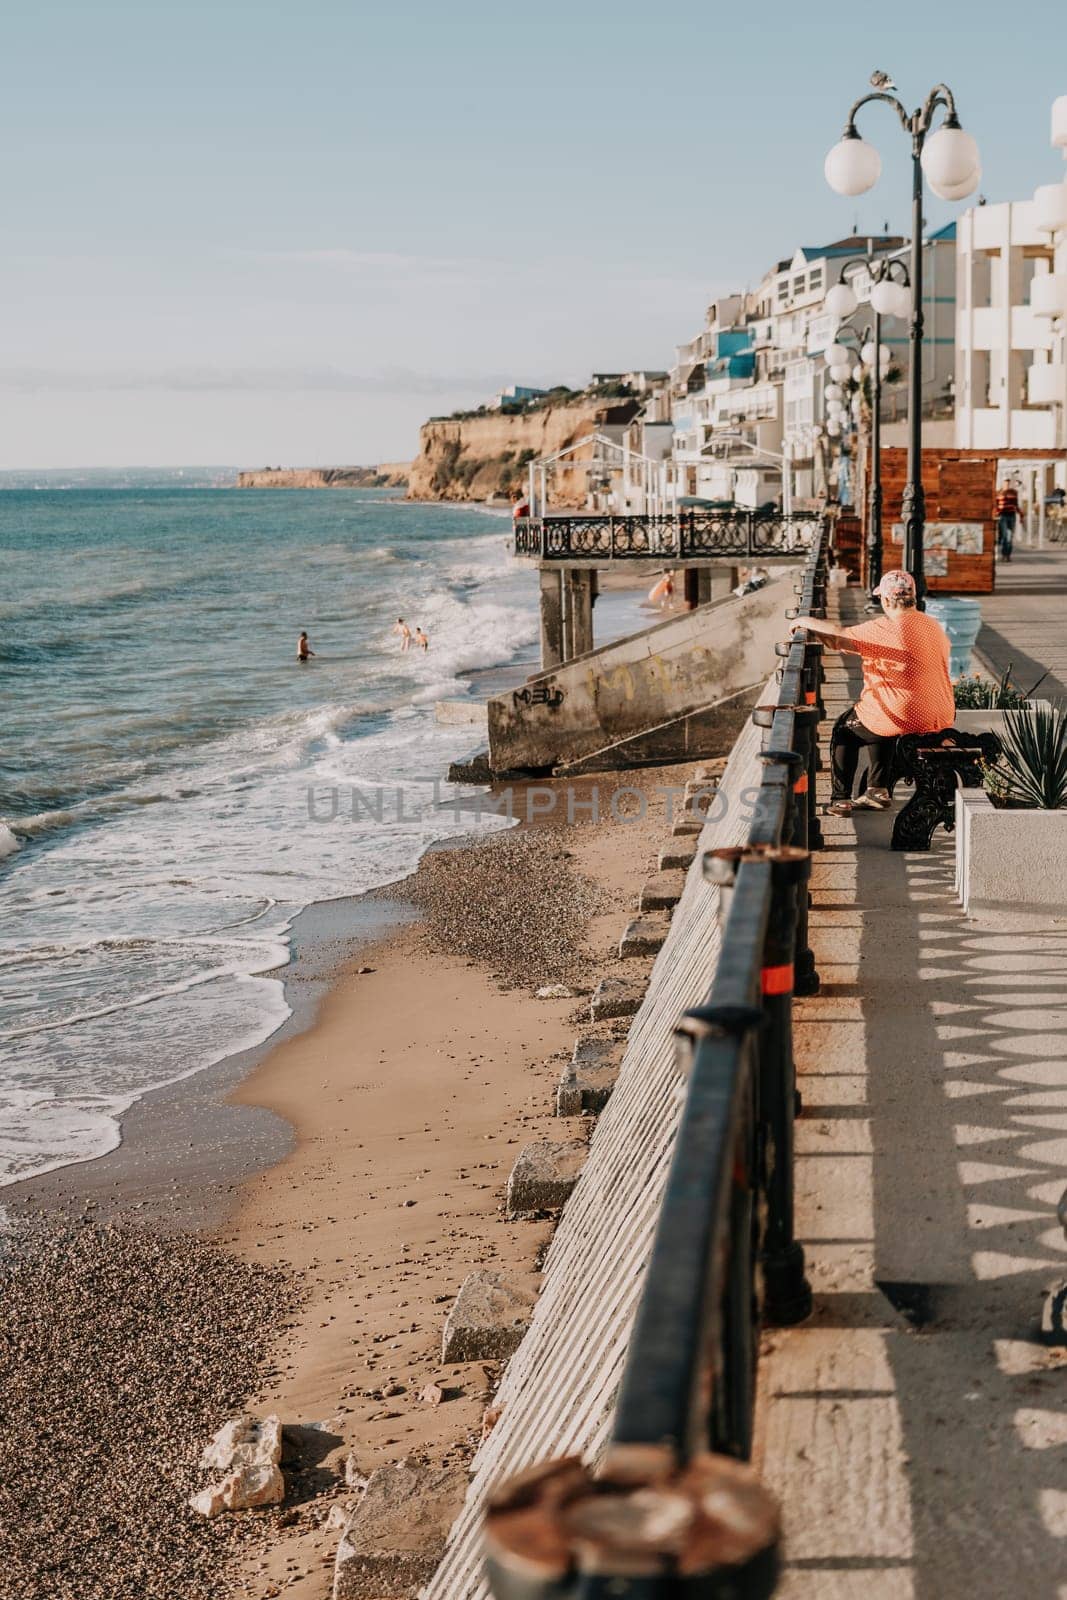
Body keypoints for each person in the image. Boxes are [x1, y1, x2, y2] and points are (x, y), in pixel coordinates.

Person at [798, 568, 954, 817]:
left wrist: (802, 622)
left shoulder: (886, 627)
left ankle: (840, 799)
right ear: (913, 596)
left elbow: (836, 637)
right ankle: (877, 790)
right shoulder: (932, 625)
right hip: (941, 712)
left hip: (906, 714)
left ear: (886, 599)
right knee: (875, 717)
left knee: (845, 730)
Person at [995, 477, 1020, 562]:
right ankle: (1004, 554)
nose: (1007, 484)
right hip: (1003, 515)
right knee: (1005, 536)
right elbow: (996, 505)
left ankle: (1008, 555)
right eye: (1005, 483)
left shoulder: (1013, 492)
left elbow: (1016, 504)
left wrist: (1021, 514)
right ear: (1003, 483)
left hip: (1011, 515)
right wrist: (996, 513)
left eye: (1008, 483)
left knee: (1009, 536)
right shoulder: (999, 493)